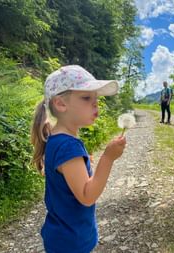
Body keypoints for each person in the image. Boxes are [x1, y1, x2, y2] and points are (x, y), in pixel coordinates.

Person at [30, 65, 126, 253]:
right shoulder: (68, 146)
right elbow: (87, 196)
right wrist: (108, 157)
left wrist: (85, 164)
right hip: (72, 242)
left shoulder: (57, 139)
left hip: (62, 236)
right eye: (86, 97)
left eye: (96, 98)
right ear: (60, 104)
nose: (95, 103)